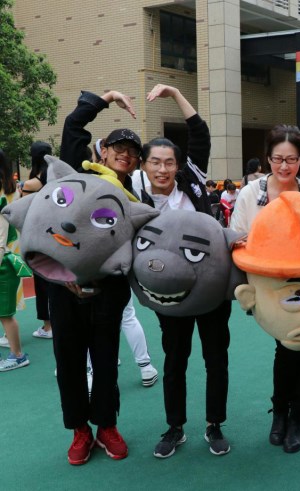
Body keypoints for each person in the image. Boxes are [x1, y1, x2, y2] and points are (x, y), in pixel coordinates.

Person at [133, 84, 231, 459]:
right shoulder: (136, 201)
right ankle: (175, 427)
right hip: (170, 295)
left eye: (169, 162)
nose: (163, 169)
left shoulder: (191, 182)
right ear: (144, 165)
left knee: (216, 358)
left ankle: (214, 424)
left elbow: (199, 133)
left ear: (178, 165)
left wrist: (175, 93)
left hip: (211, 290)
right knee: (175, 361)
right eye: (155, 162)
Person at [53, 88, 145, 464]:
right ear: (103, 151)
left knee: (106, 363)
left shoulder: (136, 201)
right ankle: (80, 430)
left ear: (136, 163)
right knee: (69, 363)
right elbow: (74, 126)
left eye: (133, 152)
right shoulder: (78, 176)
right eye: (118, 147)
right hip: (64, 286)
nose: (125, 154)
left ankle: (106, 425)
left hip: (108, 292)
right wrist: (106, 97)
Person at [230, 124, 300, 454]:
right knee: (286, 350)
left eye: (291, 159)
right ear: (268, 158)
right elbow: (236, 237)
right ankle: (281, 413)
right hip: (270, 291)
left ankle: (294, 416)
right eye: (278, 159)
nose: (284, 166)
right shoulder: (251, 194)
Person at [0, 149, 30, 372]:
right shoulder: (13, 190)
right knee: (5, 312)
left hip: (4, 259)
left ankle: (17, 355)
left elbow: (1, 235)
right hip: (10, 253)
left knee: (5, 314)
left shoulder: (4, 195)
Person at [22, 141, 53, 340]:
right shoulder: (57, 178)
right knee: (57, 280)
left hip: (38, 237)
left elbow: (24, 211)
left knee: (41, 283)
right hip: (56, 236)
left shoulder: (31, 184)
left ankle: (48, 327)